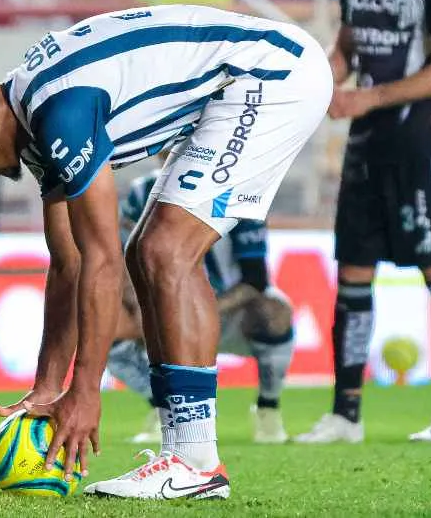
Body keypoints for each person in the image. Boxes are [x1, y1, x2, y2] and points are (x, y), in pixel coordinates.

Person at [0, 4, 331, 499]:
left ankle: (195, 462)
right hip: (240, 81)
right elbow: (68, 264)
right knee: (149, 252)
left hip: (272, 74)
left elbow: (98, 260)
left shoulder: (59, 111)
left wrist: (86, 393)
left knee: (164, 251)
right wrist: (48, 386)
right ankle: (188, 460)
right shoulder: (34, 120)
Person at [294, 0, 431, 444]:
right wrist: (312, 85)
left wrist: (367, 99)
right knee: (353, 269)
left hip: (423, 138)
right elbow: (347, 50)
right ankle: (344, 415)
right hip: (366, 141)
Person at [108, 164, 295, 445]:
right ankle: (163, 408)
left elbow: (255, 279)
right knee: (104, 321)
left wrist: (196, 312)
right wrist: (139, 306)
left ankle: (268, 408)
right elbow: (120, 257)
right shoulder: (141, 193)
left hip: (227, 313)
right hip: (162, 310)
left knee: (275, 312)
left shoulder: (239, 191)